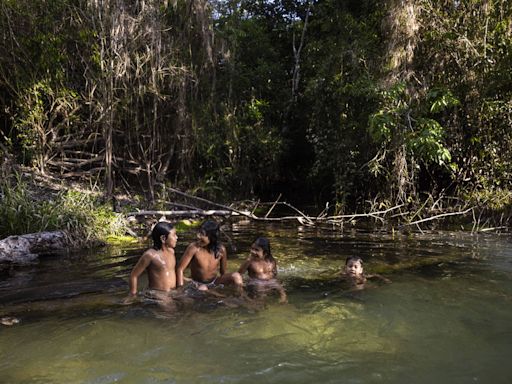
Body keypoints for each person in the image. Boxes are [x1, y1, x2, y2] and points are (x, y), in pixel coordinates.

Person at [176, 220, 243, 292]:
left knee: (236, 276)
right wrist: (180, 289)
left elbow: (223, 273)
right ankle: (213, 294)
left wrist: (225, 288)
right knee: (203, 288)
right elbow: (180, 269)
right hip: (197, 283)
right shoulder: (194, 248)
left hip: (214, 282)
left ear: (212, 237)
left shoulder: (221, 250)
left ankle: (240, 298)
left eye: (202, 234)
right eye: (199, 232)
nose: (198, 236)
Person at [128, 221, 178, 301]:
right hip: (157, 293)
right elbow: (134, 275)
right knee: (170, 308)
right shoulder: (150, 255)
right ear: (163, 238)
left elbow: (172, 273)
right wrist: (133, 294)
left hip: (172, 291)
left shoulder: (171, 252)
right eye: (174, 235)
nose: (177, 238)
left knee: (189, 301)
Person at [238, 237, 287, 303]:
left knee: (279, 286)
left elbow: (275, 275)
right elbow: (238, 275)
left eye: (256, 250)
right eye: (252, 248)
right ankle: (259, 303)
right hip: (256, 283)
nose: (253, 252)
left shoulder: (271, 261)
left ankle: (283, 297)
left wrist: (278, 287)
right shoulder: (250, 262)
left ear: (265, 253)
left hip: (270, 281)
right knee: (260, 288)